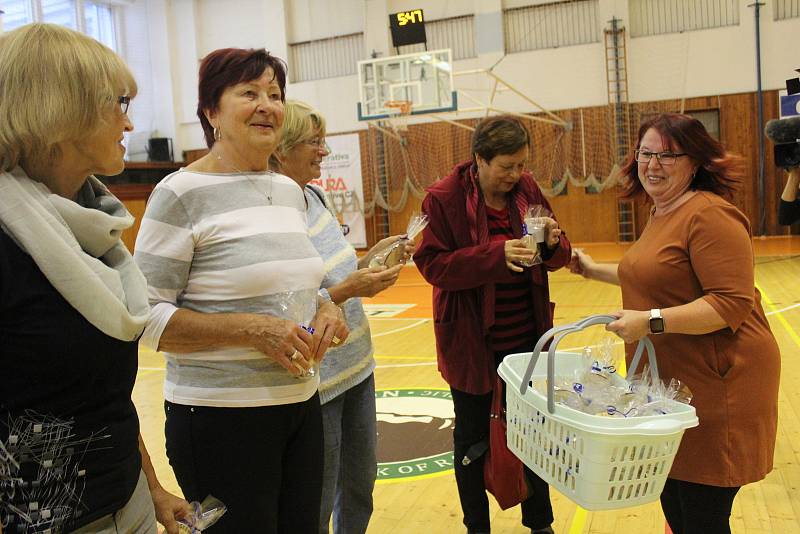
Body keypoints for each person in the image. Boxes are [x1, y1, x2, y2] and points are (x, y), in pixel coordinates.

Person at [133, 49, 348, 532]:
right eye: (249, 93)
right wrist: (252, 330)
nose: (267, 104)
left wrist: (328, 306)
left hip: (300, 405)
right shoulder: (178, 193)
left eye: (275, 94)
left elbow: (301, 285)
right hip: (219, 420)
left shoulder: (290, 191)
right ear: (211, 112)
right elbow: (145, 319)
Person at [0, 23, 190, 534]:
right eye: (118, 103)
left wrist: (151, 488)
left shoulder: (91, 226)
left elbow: (103, 392)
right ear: (61, 108)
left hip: (125, 501)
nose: (128, 124)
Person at [570, 113, 780, 534]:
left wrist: (650, 321)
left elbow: (729, 304)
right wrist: (594, 270)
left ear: (696, 162)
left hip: (720, 383)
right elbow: (656, 273)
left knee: (700, 512)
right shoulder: (662, 211)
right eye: (646, 153)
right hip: (676, 383)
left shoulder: (711, 215)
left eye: (668, 155)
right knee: (676, 503)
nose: (653, 164)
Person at [414, 115, 571, 534]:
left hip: (526, 340)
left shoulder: (527, 190)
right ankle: (476, 527)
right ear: (479, 159)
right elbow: (431, 265)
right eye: (506, 165)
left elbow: (559, 253)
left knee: (533, 437)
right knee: (471, 441)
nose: (516, 174)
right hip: (471, 344)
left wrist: (555, 243)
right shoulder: (443, 199)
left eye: (521, 164)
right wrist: (494, 255)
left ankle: (540, 523)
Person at [272, 100, 414, 534]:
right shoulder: (273, 213)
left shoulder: (314, 196)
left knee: (359, 484)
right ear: (282, 148)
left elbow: (336, 273)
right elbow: (284, 302)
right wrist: (350, 288)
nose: (324, 151)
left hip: (357, 366)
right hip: (318, 380)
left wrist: (371, 260)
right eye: (314, 143)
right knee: (316, 495)